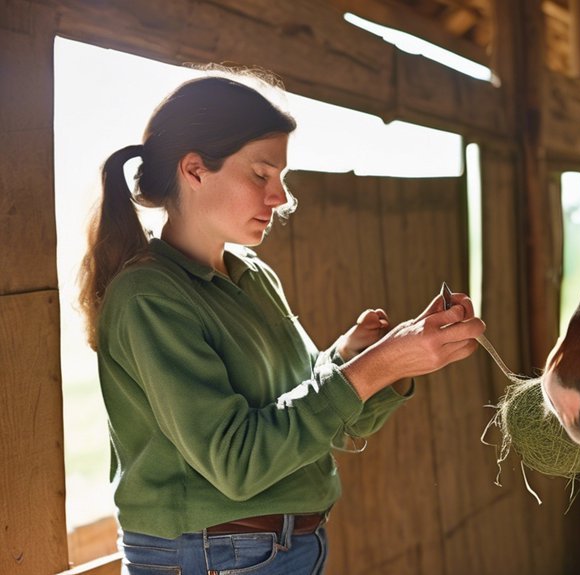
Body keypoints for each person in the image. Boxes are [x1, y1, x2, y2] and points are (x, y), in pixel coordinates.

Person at [77, 70, 485, 574]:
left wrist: (359, 360)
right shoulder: (149, 297)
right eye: (262, 174)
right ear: (195, 170)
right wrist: (377, 366)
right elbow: (239, 463)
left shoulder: (253, 276)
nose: (280, 197)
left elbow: (321, 419)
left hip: (275, 549)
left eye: (281, 178)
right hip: (209, 557)